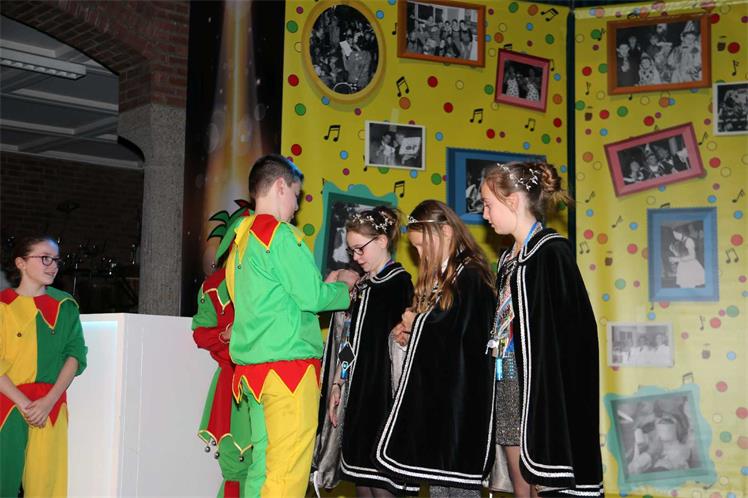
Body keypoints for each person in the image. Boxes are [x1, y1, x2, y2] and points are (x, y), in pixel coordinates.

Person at [226, 154, 358, 497]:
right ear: (280, 187)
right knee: (287, 474)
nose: (297, 207)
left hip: (254, 375)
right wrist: (344, 289)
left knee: (261, 471)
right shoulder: (280, 236)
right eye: (296, 196)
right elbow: (312, 297)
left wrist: (321, 288)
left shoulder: (241, 241)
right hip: (288, 374)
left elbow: (267, 299)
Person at [480, 162, 603, 497]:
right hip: (506, 377)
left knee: (544, 478)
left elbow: (575, 334)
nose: (484, 215)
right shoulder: (508, 259)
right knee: (520, 481)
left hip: (538, 388)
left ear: (513, 201)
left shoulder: (552, 252)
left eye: (488, 204)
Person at [375, 200, 496, 497]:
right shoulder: (447, 276)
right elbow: (441, 332)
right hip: (443, 401)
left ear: (446, 232)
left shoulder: (470, 276)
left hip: (463, 402)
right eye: (415, 247)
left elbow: (460, 333)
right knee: (440, 482)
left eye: (421, 245)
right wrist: (410, 334)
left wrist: (417, 323)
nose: (420, 254)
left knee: (458, 485)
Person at [318, 207, 418, 496]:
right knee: (361, 481)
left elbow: (404, 350)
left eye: (360, 248)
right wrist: (338, 382)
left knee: (382, 484)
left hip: (384, 401)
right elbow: (349, 341)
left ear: (382, 241)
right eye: (351, 250)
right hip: (358, 400)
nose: (356, 257)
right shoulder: (362, 286)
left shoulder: (399, 283)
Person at [0, 235, 87, 497]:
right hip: (6, 404)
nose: (53, 266)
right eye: (45, 258)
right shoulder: (3, 306)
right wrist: (25, 404)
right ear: (21, 263)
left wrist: (49, 401)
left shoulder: (66, 306)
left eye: (56, 260)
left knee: (47, 486)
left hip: (50, 407)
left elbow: (75, 355)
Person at [192, 205, 254, 497]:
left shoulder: (272, 281)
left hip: (272, 378)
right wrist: (224, 334)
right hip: (234, 383)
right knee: (236, 462)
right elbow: (201, 332)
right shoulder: (214, 287)